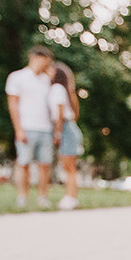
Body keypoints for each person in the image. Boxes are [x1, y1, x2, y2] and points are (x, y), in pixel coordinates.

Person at [5, 45, 55, 208]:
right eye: (46, 62)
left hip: (46, 128)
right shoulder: (17, 77)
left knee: (45, 165)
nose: (47, 66)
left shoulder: (47, 80)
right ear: (35, 58)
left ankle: (42, 198)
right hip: (26, 126)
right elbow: (13, 104)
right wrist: (18, 128)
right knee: (24, 163)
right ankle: (22, 197)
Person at [49, 63, 83, 210]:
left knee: (69, 167)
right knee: (70, 167)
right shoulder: (63, 89)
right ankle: (71, 197)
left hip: (65, 128)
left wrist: (57, 132)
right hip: (69, 127)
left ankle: (70, 197)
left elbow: (60, 113)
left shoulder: (57, 88)